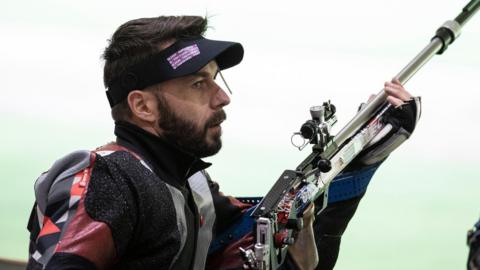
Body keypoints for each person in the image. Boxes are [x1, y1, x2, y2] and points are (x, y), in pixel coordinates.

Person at [25, 16, 420, 270]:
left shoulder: (194, 189)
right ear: (142, 106)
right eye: (199, 84)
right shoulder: (107, 180)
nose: (222, 97)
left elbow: (270, 247)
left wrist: (364, 151)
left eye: (217, 79)